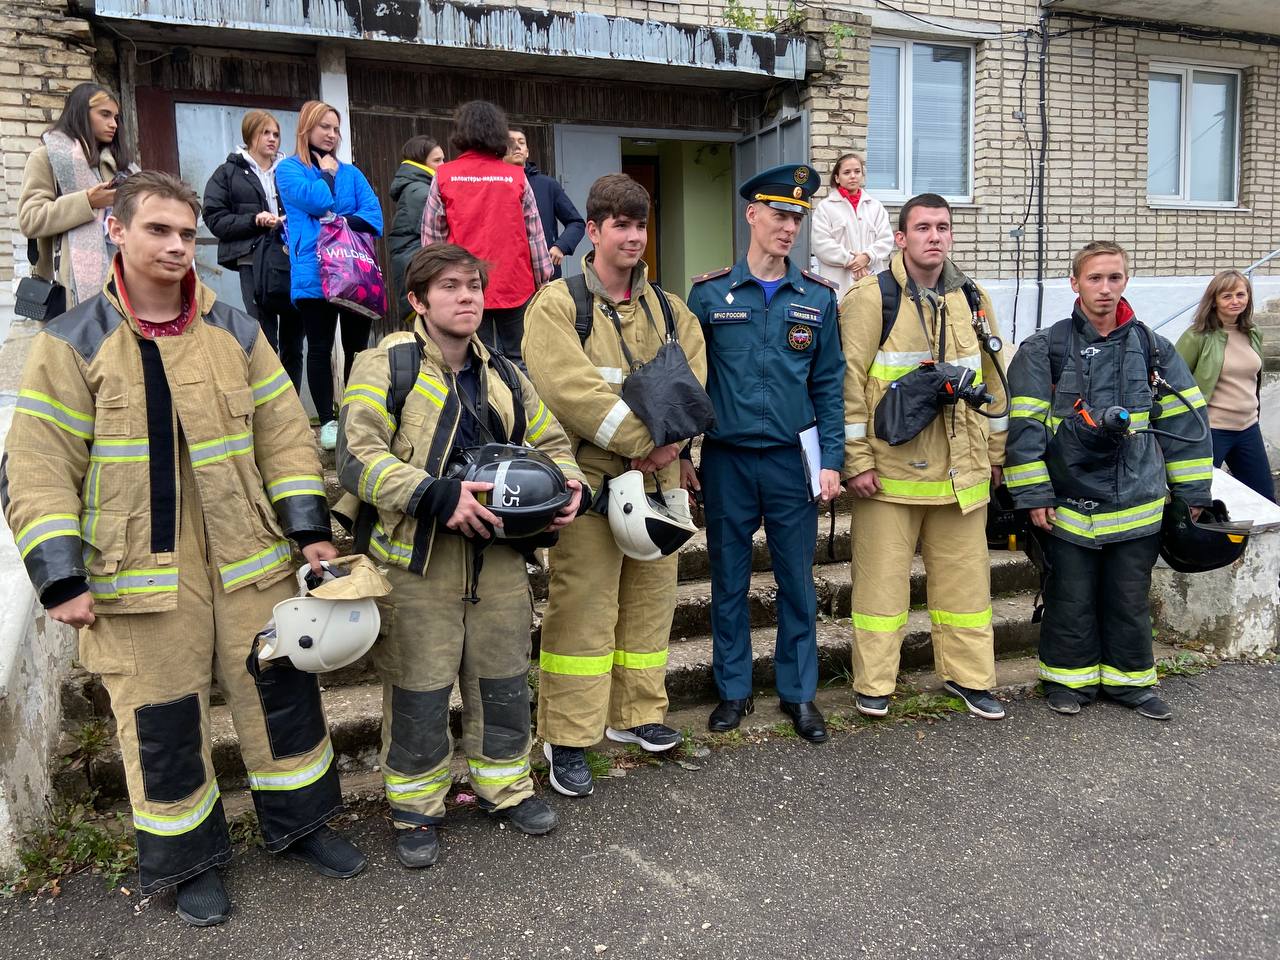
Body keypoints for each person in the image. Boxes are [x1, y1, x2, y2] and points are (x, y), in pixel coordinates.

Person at [1, 171, 365, 926]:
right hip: (132, 574)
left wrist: (310, 531)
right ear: (118, 232)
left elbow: (286, 436)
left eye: (183, 233)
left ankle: (301, 826)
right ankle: (190, 860)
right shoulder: (70, 343)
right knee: (162, 723)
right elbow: (36, 466)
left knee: (283, 700)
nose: (174, 246)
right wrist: (59, 576)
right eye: (157, 230)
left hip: (250, 559)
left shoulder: (234, 329)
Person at [336, 243, 586, 867]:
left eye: (474, 286)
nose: (467, 297)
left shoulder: (503, 370)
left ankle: (505, 785)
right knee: (419, 689)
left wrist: (569, 484)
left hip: (499, 558)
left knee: (502, 677)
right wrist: (432, 495)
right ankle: (416, 807)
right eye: (449, 287)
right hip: (417, 560)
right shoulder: (384, 365)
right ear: (418, 301)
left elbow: (551, 439)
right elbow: (356, 456)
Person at [523, 173, 707, 798]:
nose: (632, 236)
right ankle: (569, 738)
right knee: (583, 614)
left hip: (659, 487)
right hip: (592, 488)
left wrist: (674, 449)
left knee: (651, 608)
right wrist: (644, 444)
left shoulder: (671, 310)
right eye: (619, 225)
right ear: (593, 232)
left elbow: (694, 388)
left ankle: (638, 717)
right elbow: (569, 391)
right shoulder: (557, 306)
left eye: (640, 224)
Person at [1005, 241, 1215, 720]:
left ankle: (1131, 684)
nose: (1105, 288)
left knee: (1127, 598)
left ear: (1125, 281)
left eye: (1114, 278)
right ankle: (1067, 680)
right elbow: (1024, 430)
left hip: (1139, 502)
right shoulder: (1045, 348)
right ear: (1074, 283)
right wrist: (1034, 492)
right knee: (1071, 597)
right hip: (1069, 505)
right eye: (1095, 278)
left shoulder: (1154, 349)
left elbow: (1187, 426)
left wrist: (1192, 495)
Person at [686, 163, 845, 743]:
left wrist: (832, 460)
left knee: (796, 582)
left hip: (790, 460)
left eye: (797, 218)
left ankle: (798, 694)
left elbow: (828, 384)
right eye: (779, 214)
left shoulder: (817, 299)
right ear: (751, 214)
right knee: (727, 579)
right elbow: (690, 384)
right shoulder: (708, 294)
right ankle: (733, 690)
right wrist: (682, 453)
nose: (788, 227)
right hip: (727, 459)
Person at [839, 193, 1011, 721]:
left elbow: (995, 379)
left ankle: (970, 679)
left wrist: (998, 453)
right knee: (881, 587)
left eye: (943, 227)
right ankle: (874, 684)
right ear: (901, 237)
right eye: (923, 228)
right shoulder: (871, 298)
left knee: (966, 585)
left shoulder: (974, 297)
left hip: (963, 471)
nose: (934, 236)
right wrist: (857, 461)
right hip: (889, 475)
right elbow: (846, 384)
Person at [276, 100, 384, 451]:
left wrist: (336, 221)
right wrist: (326, 174)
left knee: (357, 349)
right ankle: (327, 421)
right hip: (313, 273)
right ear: (306, 128)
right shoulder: (289, 170)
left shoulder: (353, 174)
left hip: (354, 272)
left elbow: (374, 217)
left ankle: (355, 415)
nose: (332, 135)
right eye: (325, 126)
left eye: (336, 129)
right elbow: (318, 199)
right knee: (319, 348)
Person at [422, 101, 553, 367]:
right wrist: (543, 279)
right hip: (515, 283)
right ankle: (518, 407)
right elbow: (535, 235)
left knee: (471, 358)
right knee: (520, 358)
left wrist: (432, 285)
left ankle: (479, 408)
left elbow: (431, 240)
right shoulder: (516, 177)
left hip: (464, 284)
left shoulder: (444, 176)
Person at [202, 109, 304, 391]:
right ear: (249, 135)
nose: (272, 139)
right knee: (264, 339)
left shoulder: (289, 169)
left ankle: (293, 410)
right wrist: (253, 220)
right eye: (265, 133)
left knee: (294, 343)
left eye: (276, 134)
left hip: (292, 261)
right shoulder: (228, 172)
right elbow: (214, 217)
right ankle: (269, 409)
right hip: (254, 261)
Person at [18, 82, 137, 310]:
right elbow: (30, 219)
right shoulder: (47, 158)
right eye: (104, 114)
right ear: (81, 113)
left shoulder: (125, 167)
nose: (113, 124)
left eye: (116, 117)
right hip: (69, 288)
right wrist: (87, 202)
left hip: (124, 280)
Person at [1176, 269, 1274, 502]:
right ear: (1214, 301)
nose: (1235, 301)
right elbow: (1174, 382)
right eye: (1227, 296)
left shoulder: (1253, 333)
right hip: (1211, 431)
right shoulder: (1197, 336)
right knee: (1198, 501)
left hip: (1248, 428)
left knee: (1264, 498)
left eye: (1240, 294)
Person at [809, 152, 893, 300]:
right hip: (837, 286)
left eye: (857, 171)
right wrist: (852, 261)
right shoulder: (825, 207)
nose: (853, 176)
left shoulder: (875, 207)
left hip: (871, 282)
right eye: (847, 172)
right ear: (837, 177)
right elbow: (821, 243)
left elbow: (886, 239)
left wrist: (867, 257)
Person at [506, 128, 585, 281]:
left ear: (527, 152)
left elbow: (576, 222)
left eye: (521, 143)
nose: (517, 146)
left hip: (546, 274)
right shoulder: (494, 185)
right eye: (510, 143)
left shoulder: (547, 185)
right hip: (510, 275)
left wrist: (561, 245)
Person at [388, 135, 445, 324]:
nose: (443, 165)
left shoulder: (417, 186)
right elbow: (438, 232)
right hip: (419, 267)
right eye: (437, 160)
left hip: (413, 265)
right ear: (420, 164)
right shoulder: (419, 191)